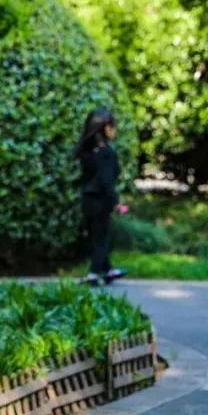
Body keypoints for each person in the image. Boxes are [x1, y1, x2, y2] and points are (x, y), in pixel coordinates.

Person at [74, 108, 127, 286]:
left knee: (95, 236)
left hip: (87, 200)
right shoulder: (107, 153)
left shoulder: (86, 153)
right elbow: (107, 182)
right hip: (101, 200)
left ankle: (108, 270)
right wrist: (115, 202)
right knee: (102, 238)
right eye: (113, 126)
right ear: (105, 128)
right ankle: (94, 273)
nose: (115, 130)